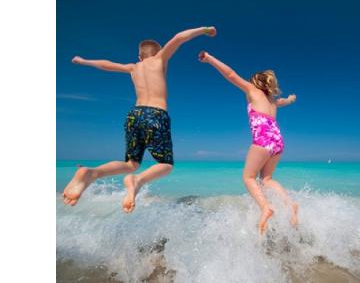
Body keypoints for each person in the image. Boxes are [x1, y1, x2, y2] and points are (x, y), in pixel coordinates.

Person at [62, 26, 217, 213]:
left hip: (134, 115)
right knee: (165, 165)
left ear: (139, 57)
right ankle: (137, 180)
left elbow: (106, 64)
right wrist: (205, 30)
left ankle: (91, 173)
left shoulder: (133, 67)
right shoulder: (160, 59)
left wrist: (84, 61)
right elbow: (178, 38)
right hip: (156, 115)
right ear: (158, 52)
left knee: (131, 164)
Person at [198, 50, 299, 235]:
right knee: (266, 179)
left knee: (248, 177)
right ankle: (289, 203)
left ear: (256, 84)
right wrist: (292, 99)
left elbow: (230, 74)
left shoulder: (253, 91)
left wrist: (210, 58)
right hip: (278, 140)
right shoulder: (273, 101)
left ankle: (265, 208)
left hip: (263, 139)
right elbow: (284, 101)